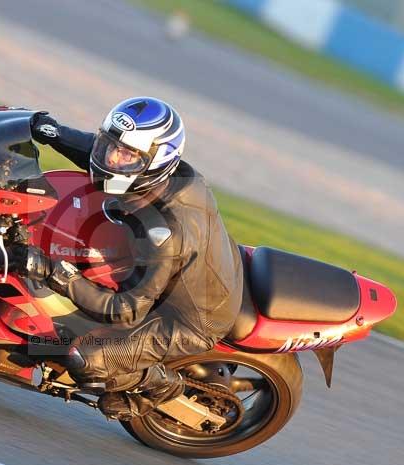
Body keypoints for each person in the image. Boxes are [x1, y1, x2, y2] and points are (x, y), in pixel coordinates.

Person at [14, 97, 244, 420]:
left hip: (188, 321)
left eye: (125, 155)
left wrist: (57, 274)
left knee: (82, 356)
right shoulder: (158, 174)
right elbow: (100, 155)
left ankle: (159, 386)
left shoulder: (164, 233)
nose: (112, 157)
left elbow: (125, 310)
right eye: (111, 145)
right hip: (201, 269)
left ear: (154, 162)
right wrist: (53, 133)